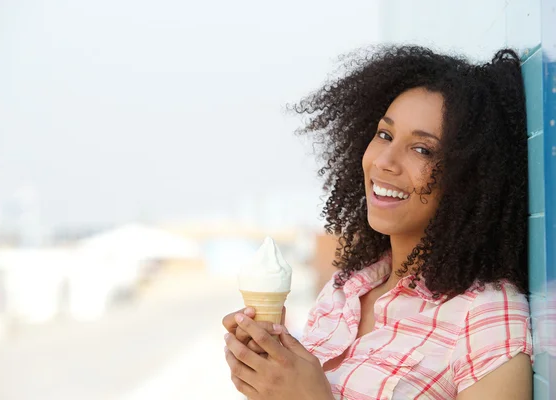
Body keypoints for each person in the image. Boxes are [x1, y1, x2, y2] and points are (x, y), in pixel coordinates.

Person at [222, 45, 533, 399]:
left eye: (422, 149)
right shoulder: (345, 290)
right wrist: (265, 370)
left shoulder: (485, 317)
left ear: (471, 177)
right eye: (385, 135)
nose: (384, 160)